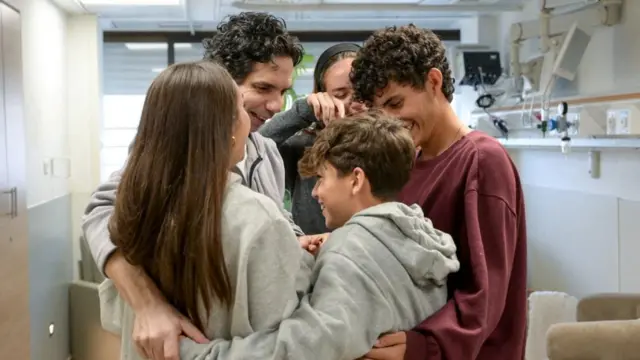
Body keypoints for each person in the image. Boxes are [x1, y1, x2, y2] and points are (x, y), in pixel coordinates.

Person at [82, 12, 307, 360]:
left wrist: (294, 240)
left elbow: (275, 219)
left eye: (283, 91)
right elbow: (102, 213)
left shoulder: (267, 153)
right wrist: (148, 303)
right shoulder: (166, 156)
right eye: (262, 88)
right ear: (220, 81)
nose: (277, 105)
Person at [176, 110, 460, 360]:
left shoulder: (352, 248)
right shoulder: (421, 237)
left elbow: (305, 347)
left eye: (322, 178)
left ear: (356, 180)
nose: (315, 192)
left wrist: (196, 354)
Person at [349, 25, 528, 360]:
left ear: (433, 82)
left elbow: (484, 291)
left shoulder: (481, 160)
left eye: (396, 103)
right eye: (378, 111)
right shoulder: (407, 163)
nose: (388, 120)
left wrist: (424, 345)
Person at [259, 42, 363, 235]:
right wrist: (305, 110)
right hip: (314, 258)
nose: (354, 103)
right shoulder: (305, 145)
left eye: (362, 91)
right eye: (340, 95)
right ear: (323, 96)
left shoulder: (391, 143)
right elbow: (255, 144)